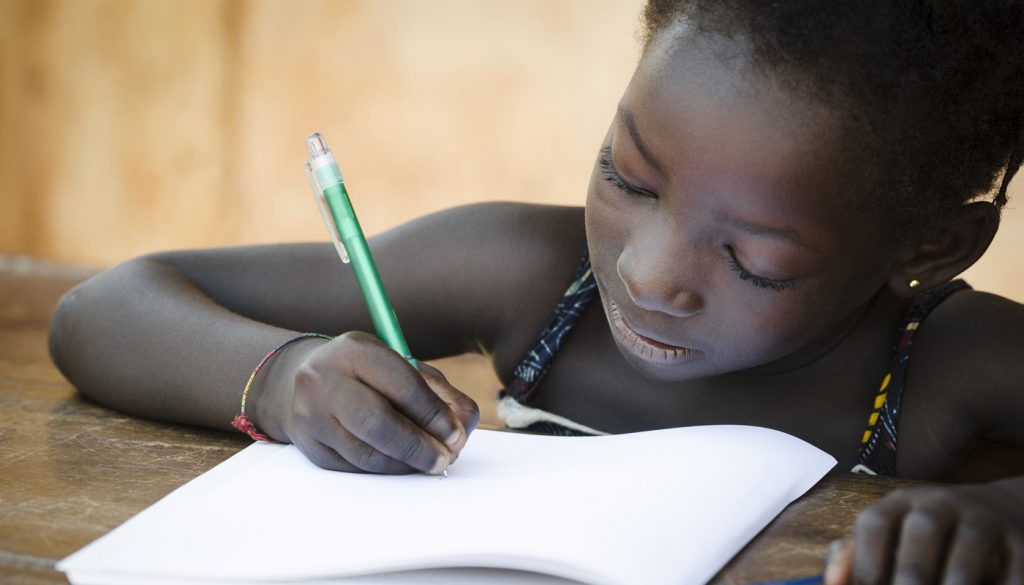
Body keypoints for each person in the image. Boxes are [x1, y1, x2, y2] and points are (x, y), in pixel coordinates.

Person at [48, 1, 1023, 583]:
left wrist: (1000, 517)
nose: (644, 274)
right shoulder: (526, 272)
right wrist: (283, 376)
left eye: (752, 260)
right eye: (628, 180)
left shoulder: (946, 361)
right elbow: (105, 310)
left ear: (931, 249)